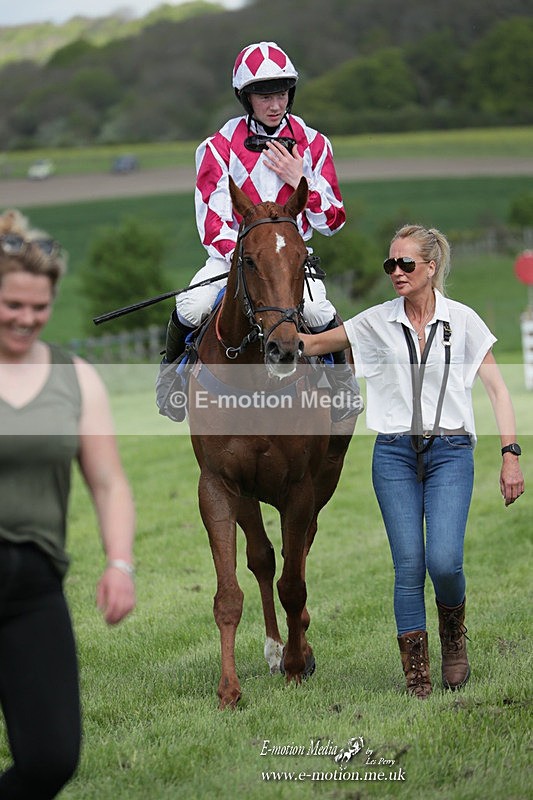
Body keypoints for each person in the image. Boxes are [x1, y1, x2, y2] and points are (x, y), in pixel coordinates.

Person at [300, 223, 525, 699]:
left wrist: (510, 455)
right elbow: (315, 344)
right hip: (393, 455)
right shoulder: (376, 321)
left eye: (406, 263)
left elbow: (499, 391)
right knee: (408, 565)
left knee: (444, 562)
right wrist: (276, 325)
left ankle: (453, 640)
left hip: (451, 453)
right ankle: (417, 672)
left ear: (431, 266)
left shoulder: (463, 321)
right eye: (391, 264)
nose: (396, 272)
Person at [0, 209, 136, 798]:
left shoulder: (75, 378)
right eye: (12, 304)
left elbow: (108, 482)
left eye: (39, 307)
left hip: (33, 589)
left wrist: (120, 563)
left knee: (52, 759)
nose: (26, 318)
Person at [157, 40, 360, 421]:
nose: (275, 105)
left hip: (292, 260)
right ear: (246, 98)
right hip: (234, 258)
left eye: (281, 94)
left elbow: (334, 221)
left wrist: (300, 179)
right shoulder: (217, 147)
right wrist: (248, 257)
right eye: (265, 96)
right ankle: (171, 378)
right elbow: (212, 224)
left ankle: (343, 384)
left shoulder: (315, 144)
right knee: (192, 305)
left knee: (318, 310)